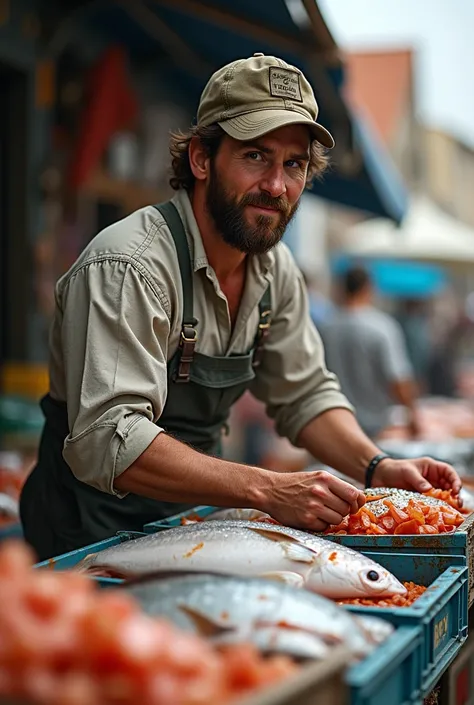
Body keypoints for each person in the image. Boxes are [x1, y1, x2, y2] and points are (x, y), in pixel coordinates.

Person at [20, 54, 461, 560]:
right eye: (255, 156)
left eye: (293, 164)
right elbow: (111, 439)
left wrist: (376, 465)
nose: (276, 186)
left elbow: (306, 394)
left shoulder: (276, 272)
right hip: (84, 542)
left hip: (189, 528)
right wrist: (268, 488)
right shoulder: (129, 266)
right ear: (202, 159)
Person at [321, 267, 421, 440]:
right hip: (376, 428)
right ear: (368, 288)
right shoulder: (382, 327)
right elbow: (398, 380)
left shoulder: (325, 328)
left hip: (335, 424)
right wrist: (414, 417)